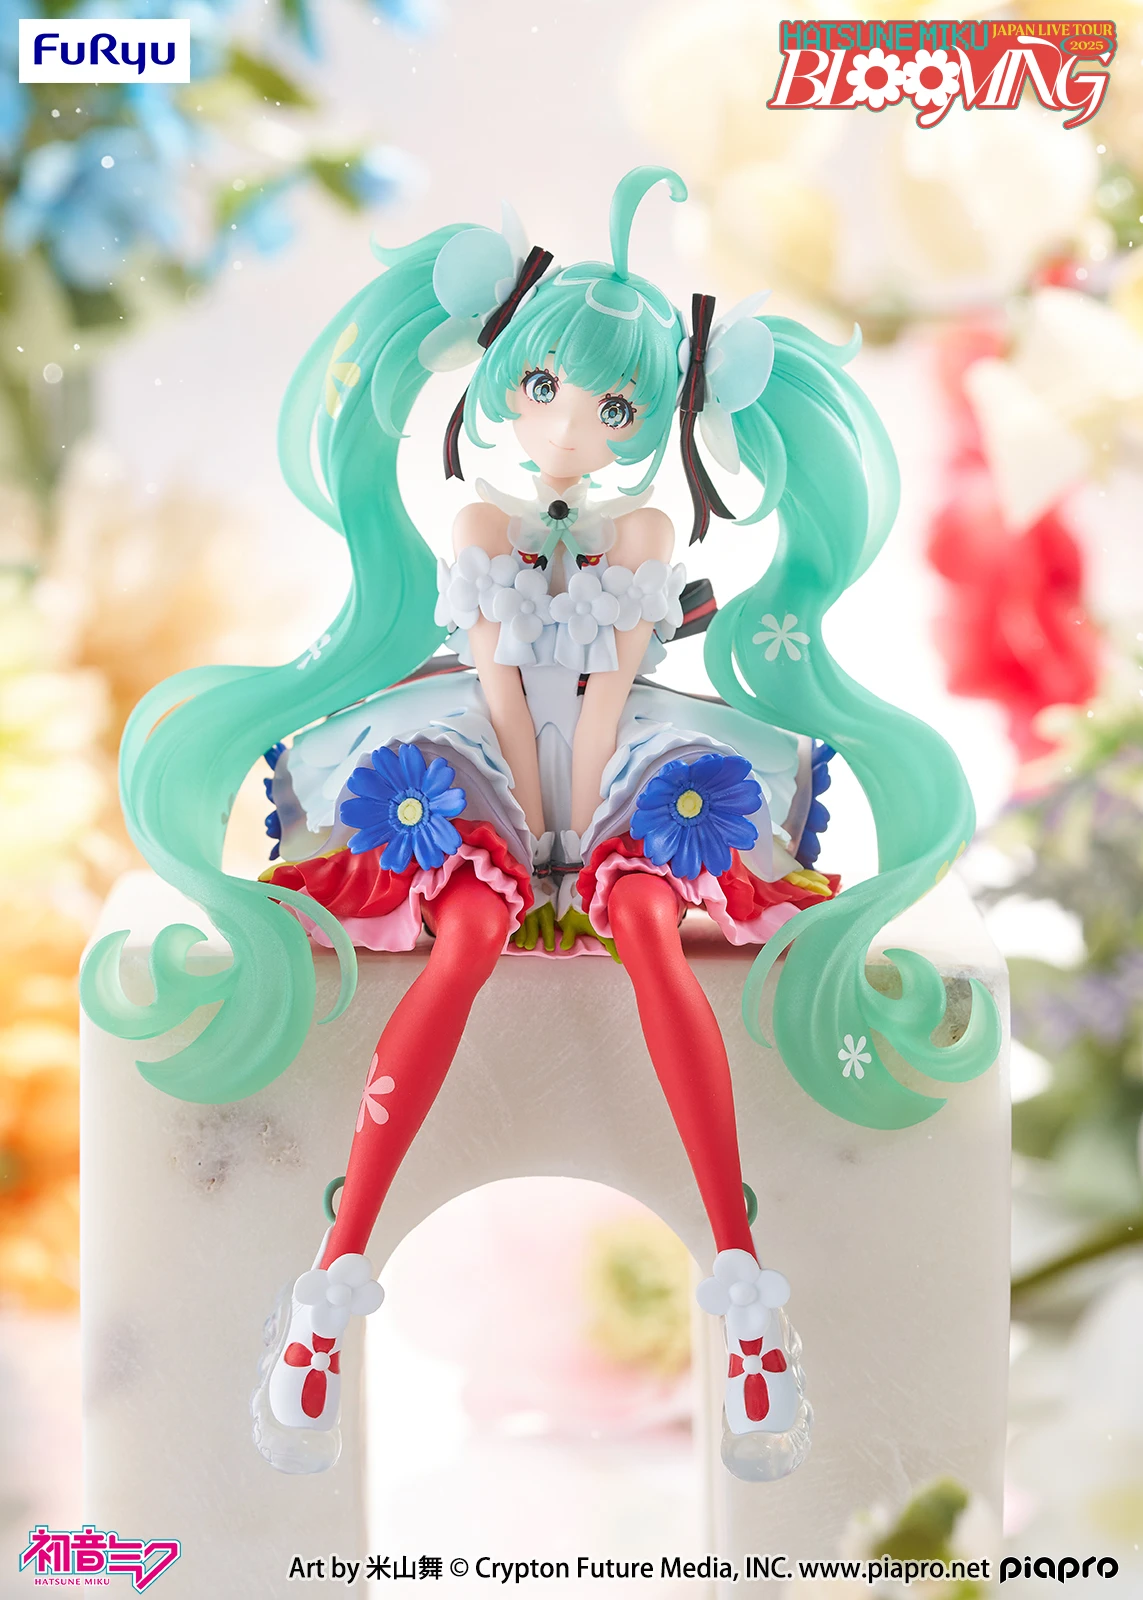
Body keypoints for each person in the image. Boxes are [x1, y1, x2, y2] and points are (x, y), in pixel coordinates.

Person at [82, 166, 1000, 1481]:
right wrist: (528, 817)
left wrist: (578, 821)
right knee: (461, 937)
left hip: (621, 758)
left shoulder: (645, 529)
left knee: (648, 922)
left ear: (652, 421)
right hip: (485, 749)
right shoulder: (474, 519)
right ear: (505, 381)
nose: (571, 427)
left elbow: (612, 687)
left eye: (614, 408)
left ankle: (744, 1292)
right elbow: (501, 684)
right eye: (546, 389)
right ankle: (331, 1287)